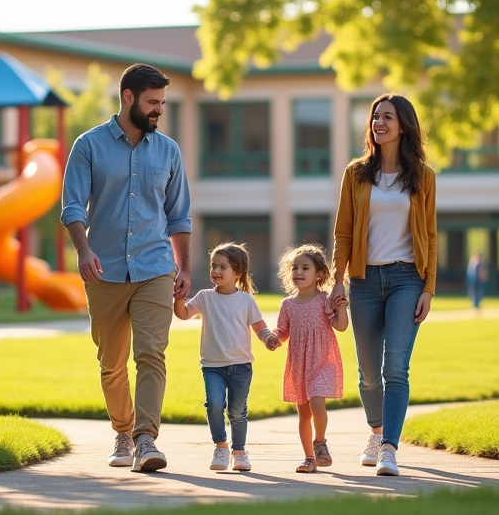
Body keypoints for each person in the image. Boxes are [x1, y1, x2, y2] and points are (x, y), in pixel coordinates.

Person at [61, 63, 192, 473]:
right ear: (129, 97)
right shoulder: (88, 145)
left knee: (151, 353)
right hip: (104, 270)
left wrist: (183, 266)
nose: (159, 111)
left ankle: (145, 439)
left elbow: (179, 215)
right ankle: (123, 429)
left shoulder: (169, 150)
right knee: (112, 362)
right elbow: (72, 206)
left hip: (155, 267)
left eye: (163, 104)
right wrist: (83, 250)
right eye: (153, 103)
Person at [330, 93, 437, 477]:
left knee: (396, 367)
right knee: (368, 373)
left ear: (403, 125)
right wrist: (337, 282)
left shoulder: (423, 177)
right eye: (375, 116)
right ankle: (375, 433)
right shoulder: (356, 174)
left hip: (407, 278)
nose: (379, 122)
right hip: (362, 281)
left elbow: (431, 236)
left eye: (387, 117)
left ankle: (390, 447)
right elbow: (343, 232)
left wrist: (428, 289)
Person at [174, 242, 279, 473]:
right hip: (212, 366)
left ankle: (239, 452)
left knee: (237, 412)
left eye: (223, 267)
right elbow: (182, 314)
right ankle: (221, 447)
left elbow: (259, 325)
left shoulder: (246, 300)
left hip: (241, 366)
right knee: (213, 405)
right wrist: (178, 298)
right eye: (213, 266)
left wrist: (268, 337)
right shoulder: (204, 297)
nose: (216, 271)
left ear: (238, 273)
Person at [273, 244, 348, 474]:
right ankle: (309, 458)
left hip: (323, 362)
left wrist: (342, 308)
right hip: (299, 365)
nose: (298, 272)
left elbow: (341, 326)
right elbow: (282, 333)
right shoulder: (287, 305)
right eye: (294, 268)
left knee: (317, 402)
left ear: (319, 275)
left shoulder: (325, 300)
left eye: (305, 268)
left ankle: (320, 442)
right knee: (303, 413)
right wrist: (271, 339)